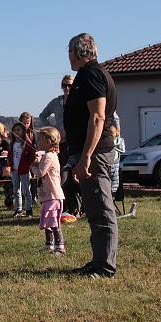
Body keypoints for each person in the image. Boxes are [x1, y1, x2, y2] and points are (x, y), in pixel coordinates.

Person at [65, 33, 119, 278]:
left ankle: (105, 267)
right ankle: (98, 261)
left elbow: (97, 118)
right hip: (89, 151)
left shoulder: (93, 75)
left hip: (95, 152)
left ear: (79, 51)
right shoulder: (85, 76)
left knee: (101, 208)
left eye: (69, 51)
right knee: (94, 209)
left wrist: (86, 156)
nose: (68, 56)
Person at [32, 127, 66, 254]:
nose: (37, 141)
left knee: (54, 222)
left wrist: (33, 165)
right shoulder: (49, 155)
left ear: (47, 141)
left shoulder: (49, 156)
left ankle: (60, 247)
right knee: (48, 221)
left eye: (40, 139)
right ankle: (49, 246)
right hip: (48, 195)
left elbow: (40, 172)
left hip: (53, 195)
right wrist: (37, 161)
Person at [8, 122, 36, 217]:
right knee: (16, 190)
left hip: (24, 170)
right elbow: (10, 155)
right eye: (15, 130)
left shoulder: (26, 143)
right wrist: (10, 164)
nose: (16, 132)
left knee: (26, 190)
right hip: (14, 170)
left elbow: (33, 154)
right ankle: (18, 209)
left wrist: (28, 164)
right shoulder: (12, 143)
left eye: (19, 130)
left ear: (23, 131)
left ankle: (29, 209)